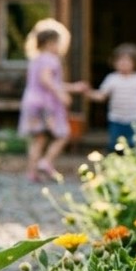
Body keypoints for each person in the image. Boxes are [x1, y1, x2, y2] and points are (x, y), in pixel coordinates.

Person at [18, 27, 86, 182]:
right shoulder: (51, 59)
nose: (60, 47)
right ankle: (46, 161)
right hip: (46, 104)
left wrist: (74, 87)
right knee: (63, 134)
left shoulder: (36, 59)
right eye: (58, 43)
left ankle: (32, 172)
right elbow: (46, 80)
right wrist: (62, 95)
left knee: (38, 138)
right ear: (49, 43)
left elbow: (46, 81)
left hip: (31, 101)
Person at [87, 43, 136, 151]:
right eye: (120, 60)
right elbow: (101, 95)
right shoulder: (112, 78)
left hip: (135, 119)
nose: (123, 63)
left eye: (127, 60)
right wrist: (88, 92)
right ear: (114, 62)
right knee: (115, 146)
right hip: (116, 119)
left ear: (135, 62)